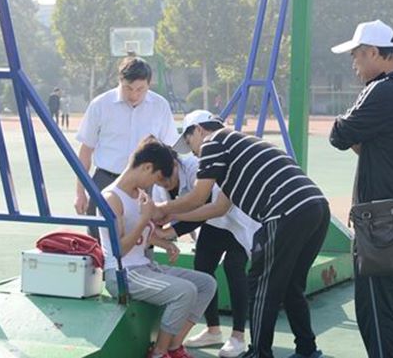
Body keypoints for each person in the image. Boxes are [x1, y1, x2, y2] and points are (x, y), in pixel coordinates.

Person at [155, 110, 331, 358]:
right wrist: (174, 218)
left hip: (285, 211)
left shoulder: (212, 142)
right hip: (315, 207)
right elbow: (217, 208)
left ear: (199, 130)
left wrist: (161, 209)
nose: (193, 152)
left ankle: (259, 353)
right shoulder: (236, 149)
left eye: (189, 141)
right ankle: (307, 350)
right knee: (291, 284)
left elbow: (197, 197)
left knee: (260, 285)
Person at [329, 19, 393, 358]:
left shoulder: (381, 91)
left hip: (382, 223)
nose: (354, 64)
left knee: (376, 307)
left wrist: (355, 130)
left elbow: (339, 134)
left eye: (357, 55)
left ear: (374, 52)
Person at [99, 137, 216, 358]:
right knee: (185, 291)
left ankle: (174, 346)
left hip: (145, 266)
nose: (155, 183)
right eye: (156, 177)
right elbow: (119, 250)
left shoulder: (140, 195)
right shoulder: (111, 198)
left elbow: (143, 236)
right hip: (123, 273)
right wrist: (144, 219)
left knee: (206, 284)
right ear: (147, 167)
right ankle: (159, 353)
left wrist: (164, 243)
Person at [152, 150, 261, 357]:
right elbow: (164, 216)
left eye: (167, 179)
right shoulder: (159, 184)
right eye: (160, 181)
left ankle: (238, 336)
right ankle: (213, 330)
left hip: (237, 219)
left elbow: (204, 207)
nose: (164, 184)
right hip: (213, 222)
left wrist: (170, 231)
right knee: (203, 268)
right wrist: (162, 233)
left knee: (234, 267)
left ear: (174, 164)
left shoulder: (195, 167)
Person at [75, 56, 178, 239]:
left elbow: (170, 150)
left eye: (140, 89)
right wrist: (80, 192)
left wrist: (170, 194)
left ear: (149, 84)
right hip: (105, 181)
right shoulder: (100, 105)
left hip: (144, 185)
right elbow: (85, 150)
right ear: (120, 81)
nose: (134, 95)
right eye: (128, 88)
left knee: (143, 240)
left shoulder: (160, 106)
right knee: (100, 242)